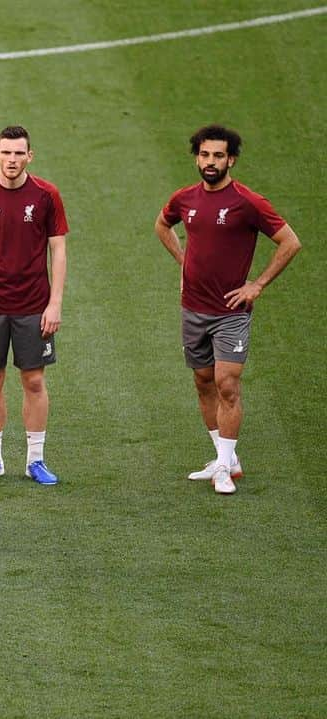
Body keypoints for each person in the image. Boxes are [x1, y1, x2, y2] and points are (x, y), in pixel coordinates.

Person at [154, 125, 300, 495]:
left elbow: (289, 241)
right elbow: (162, 225)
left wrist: (257, 284)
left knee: (227, 384)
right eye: (204, 155)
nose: (210, 162)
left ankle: (223, 465)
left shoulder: (247, 202)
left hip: (231, 312)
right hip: (193, 309)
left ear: (230, 159)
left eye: (218, 156)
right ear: (197, 158)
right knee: (203, 381)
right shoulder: (184, 199)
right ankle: (225, 459)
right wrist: (184, 262)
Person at [0, 126, 68, 485]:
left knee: (34, 380)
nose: (12, 160)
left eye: (19, 154)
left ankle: (35, 460)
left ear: (29, 157)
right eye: (6, 153)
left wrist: (55, 303)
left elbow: (59, 250)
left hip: (33, 305)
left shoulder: (47, 195)